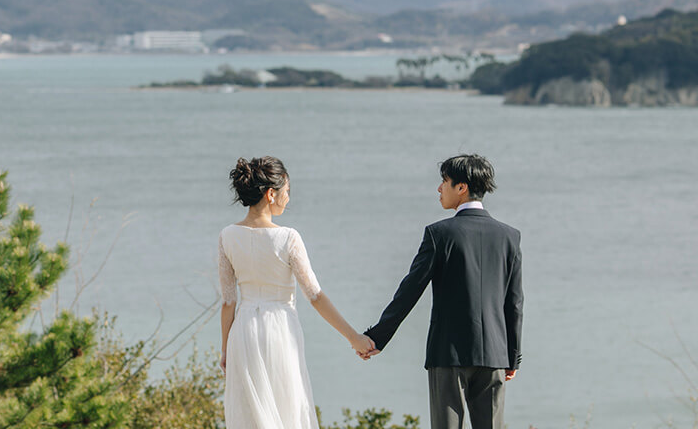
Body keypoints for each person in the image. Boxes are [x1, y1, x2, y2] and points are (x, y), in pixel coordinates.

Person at [362, 154, 523, 429]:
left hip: (449, 354)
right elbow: (515, 301)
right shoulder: (509, 236)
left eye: (444, 182)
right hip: (496, 355)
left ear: (461, 187)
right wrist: (512, 355)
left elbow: (409, 291)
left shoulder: (440, 234)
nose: (439, 188)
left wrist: (377, 337)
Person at [219, 156, 376, 429]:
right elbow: (314, 295)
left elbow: (228, 302)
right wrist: (354, 337)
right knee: (287, 407)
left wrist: (225, 349)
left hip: (243, 332)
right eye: (287, 192)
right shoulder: (288, 237)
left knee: (249, 414)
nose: (288, 199)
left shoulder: (227, 236)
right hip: (279, 329)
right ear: (271, 194)